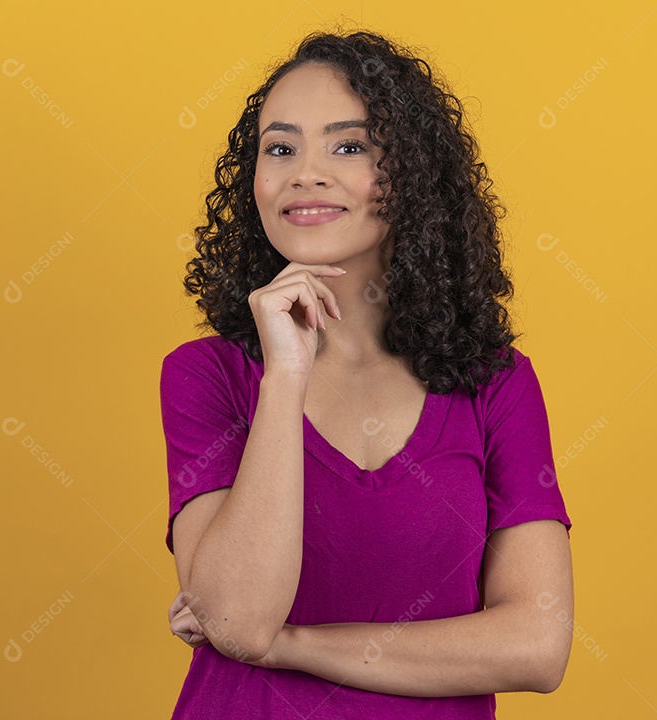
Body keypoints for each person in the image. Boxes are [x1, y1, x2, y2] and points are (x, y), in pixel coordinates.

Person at [159, 27, 573, 719]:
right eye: (281, 148)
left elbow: (536, 644)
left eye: (348, 146)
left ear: (410, 174)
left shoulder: (495, 383)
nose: (305, 173)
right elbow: (236, 620)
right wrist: (285, 377)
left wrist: (291, 645)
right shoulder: (207, 376)